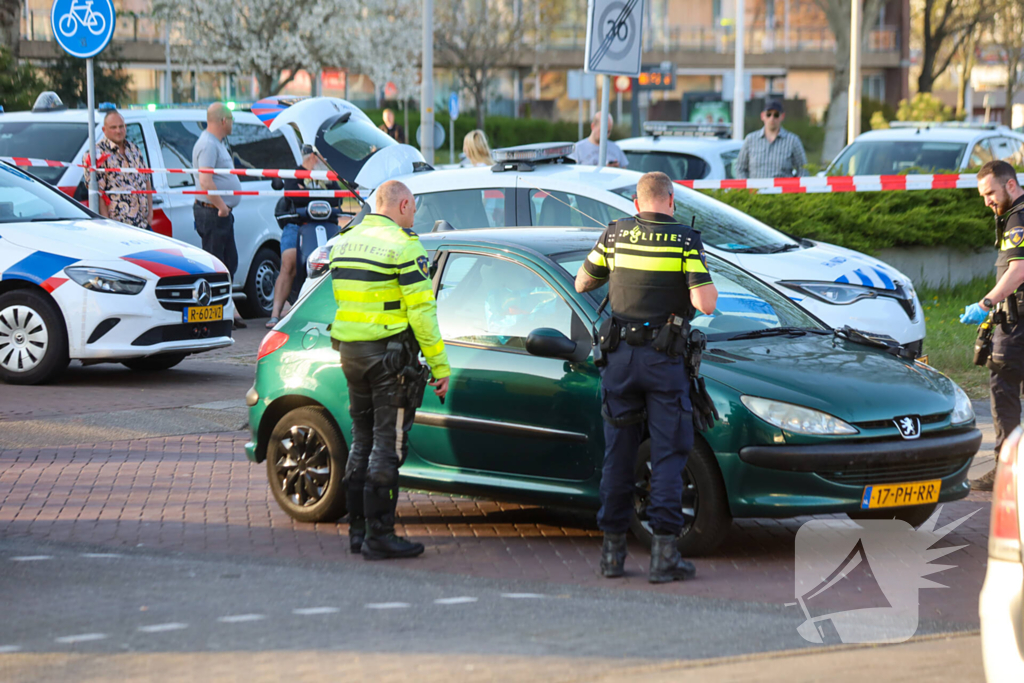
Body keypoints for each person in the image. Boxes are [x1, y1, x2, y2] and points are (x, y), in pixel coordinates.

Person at [574, 171, 718, 583]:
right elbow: (705, 304)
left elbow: (583, 282)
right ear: (671, 201)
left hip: (619, 360)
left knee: (618, 453)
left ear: (637, 203)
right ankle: (663, 555)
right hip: (663, 362)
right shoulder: (686, 240)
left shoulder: (615, 234)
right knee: (669, 452)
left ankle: (612, 555)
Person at [330, 180, 450, 560]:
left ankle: (357, 532)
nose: (414, 216)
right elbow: (421, 311)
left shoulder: (344, 242)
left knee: (361, 439)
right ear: (403, 206)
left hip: (351, 353)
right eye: (413, 209)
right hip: (388, 358)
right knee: (387, 446)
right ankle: (380, 536)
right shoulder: (404, 245)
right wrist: (439, 364)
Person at [960, 160, 1024, 490]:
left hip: (1018, 324)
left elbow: (1018, 271)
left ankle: (1007, 472)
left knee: (1004, 390)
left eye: (990, 193)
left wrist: (985, 303)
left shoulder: (1018, 217)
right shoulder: (1013, 214)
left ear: (1010, 185)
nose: (986, 200)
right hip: (1012, 313)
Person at [266, 145, 343, 328]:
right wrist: (320, 196)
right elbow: (295, 196)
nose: (326, 162)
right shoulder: (295, 174)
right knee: (288, 262)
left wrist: (309, 194)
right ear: (314, 157)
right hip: (296, 226)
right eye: (323, 157)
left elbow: (337, 198)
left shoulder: (327, 176)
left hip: (326, 225)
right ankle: (275, 313)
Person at [193, 102, 245, 328]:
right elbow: (205, 181)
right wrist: (222, 206)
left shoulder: (216, 143)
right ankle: (216, 316)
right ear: (223, 121)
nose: (232, 124)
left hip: (219, 212)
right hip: (213, 212)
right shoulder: (208, 144)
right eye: (231, 120)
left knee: (228, 263)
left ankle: (228, 311)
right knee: (216, 267)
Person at [89, 110, 153, 230]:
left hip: (143, 225)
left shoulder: (134, 150)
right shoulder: (96, 155)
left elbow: (146, 180)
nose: (118, 131)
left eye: (121, 126)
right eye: (113, 127)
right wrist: (107, 225)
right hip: (118, 228)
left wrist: (150, 214)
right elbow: (99, 194)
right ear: (104, 130)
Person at [734, 100, 808, 179]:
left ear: (782, 116)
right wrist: (746, 188)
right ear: (762, 116)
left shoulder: (792, 140)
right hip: (756, 190)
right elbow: (740, 168)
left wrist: (794, 189)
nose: (772, 118)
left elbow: (803, 169)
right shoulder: (750, 139)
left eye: (776, 115)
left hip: (783, 190)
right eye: (768, 114)